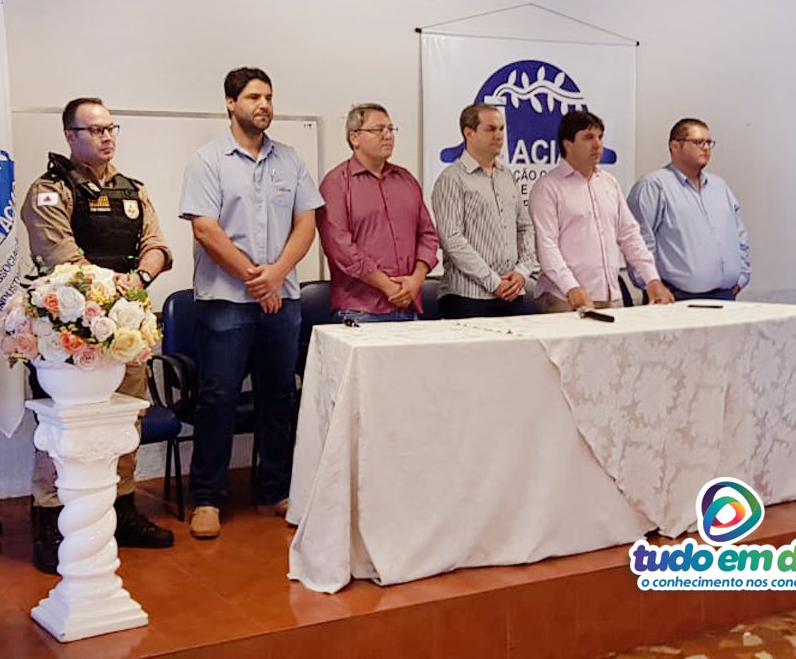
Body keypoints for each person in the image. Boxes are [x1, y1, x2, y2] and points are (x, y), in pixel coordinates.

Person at [20, 97, 174, 574]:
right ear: (71, 136)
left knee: (127, 421)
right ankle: (51, 522)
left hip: (126, 329)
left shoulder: (134, 191)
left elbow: (157, 246)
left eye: (111, 128)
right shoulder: (49, 191)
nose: (107, 137)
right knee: (66, 430)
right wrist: (113, 290)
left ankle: (122, 511)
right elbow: (64, 257)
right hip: (70, 335)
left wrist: (140, 280)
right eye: (95, 129)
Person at [179, 67, 324, 539]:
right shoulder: (208, 160)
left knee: (278, 395)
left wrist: (277, 275)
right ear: (230, 103)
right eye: (254, 97)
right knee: (218, 397)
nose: (264, 105)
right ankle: (207, 498)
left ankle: (275, 488)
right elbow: (205, 229)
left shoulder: (290, 159)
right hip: (226, 300)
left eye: (269, 97)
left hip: (281, 299)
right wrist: (252, 278)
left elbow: (307, 223)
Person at [529, 110, 674, 311]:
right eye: (588, 138)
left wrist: (652, 279)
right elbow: (546, 246)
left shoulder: (609, 183)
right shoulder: (547, 188)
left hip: (611, 295)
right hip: (564, 298)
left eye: (600, 137)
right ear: (567, 144)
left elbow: (630, 235)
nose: (597, 145)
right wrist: (571, 288)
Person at [317, 103, 439, 322]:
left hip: (409, 305)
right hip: (360, 311)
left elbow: (428, 235)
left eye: (391, 129)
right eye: (378, 130)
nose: (387, 136)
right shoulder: (336, 184)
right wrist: (387, 285)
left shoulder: (406, 180)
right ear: (355, 138)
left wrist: (415, 280)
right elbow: (340, 248)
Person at [431, 103, 538, 318]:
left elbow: (525, 226)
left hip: (512, 292)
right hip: (467, 297)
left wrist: (521, 272)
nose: (498, 136)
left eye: (501, 129)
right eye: (490, 129)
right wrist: (493, 281)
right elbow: (452, 239)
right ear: (468, 133)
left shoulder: (507, 175)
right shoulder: (452, 179)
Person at [626, 118, 751, 301]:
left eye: (709, 142)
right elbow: (640, 241)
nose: (706, 148)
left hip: (725, 295)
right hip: (676, 298)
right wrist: (651, 284)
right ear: (675, 146)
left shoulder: (719, 186)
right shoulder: (654, 186)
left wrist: (742, 277)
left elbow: (740, 236)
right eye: (698, 142)